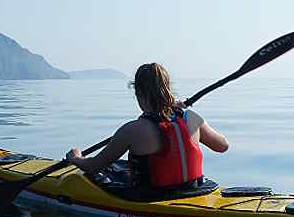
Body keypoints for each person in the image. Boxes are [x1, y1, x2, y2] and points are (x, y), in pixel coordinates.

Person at [66, 63, 229, 188]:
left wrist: (77, 159)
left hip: (152, 197)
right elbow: (223, 146)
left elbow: (94, 166)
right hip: (195, 190)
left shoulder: (131, 130)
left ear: (139, 94)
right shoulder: (193, 118)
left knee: (102, 172)